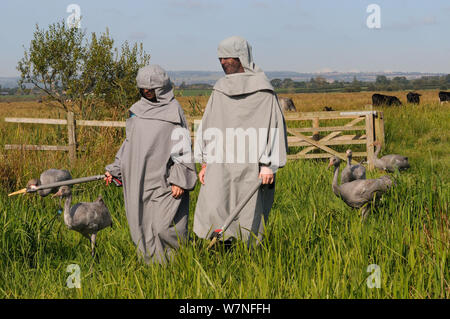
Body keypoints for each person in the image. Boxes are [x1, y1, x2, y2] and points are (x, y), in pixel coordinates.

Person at [193, 36, 288, 248]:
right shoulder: (219, 89)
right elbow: (209, 125)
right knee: (216, 205)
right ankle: (220, 251)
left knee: (249, 212)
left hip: (252, 165)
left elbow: (273, 127)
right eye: (220, 58)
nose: (223, 62)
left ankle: (248, 256)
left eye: (228, 57)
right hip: (221, 162)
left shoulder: (264, 90)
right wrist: (205, 162)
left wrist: (268, 165)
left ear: (242, 57)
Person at [105, 64, 197, 264]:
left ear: (161, 87)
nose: (147, 92)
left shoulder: (173, 111)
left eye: (151, 89)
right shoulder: (136, 111)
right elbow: (129, 143)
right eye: (143, 89)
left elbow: (182, 146)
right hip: (138, 177)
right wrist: (116, 169)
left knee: (165, 226)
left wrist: (180, 178)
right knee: (142, 224)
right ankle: (151, 267)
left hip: (164, 179)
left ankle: (176, 265)